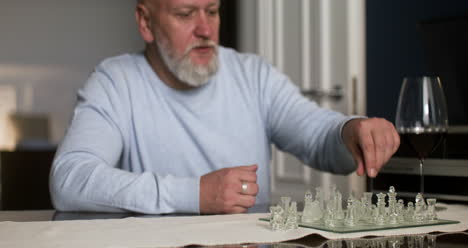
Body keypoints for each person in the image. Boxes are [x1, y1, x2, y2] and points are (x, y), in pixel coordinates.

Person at [50, 0, 400, 214]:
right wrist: (194, 195)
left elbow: (317, 135)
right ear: (146, 22)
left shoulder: (253, 74)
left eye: (213, 11)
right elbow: (70, 180)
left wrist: (350, 131)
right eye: (186, 14)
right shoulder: (115, 81)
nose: (205, 29)